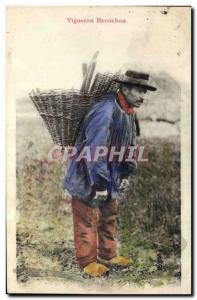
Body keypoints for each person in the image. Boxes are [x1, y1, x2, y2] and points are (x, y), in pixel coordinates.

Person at [62, 70, 157, 277]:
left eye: (145, 91)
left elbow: (130, 147)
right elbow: (95, 149)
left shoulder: (129, 112)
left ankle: (108, 255)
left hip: (110, 175)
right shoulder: (104, 110)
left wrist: (125, 174)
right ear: (124, 88)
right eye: (138, 90)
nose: (142, 96)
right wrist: (99, 184)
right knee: (85, 219)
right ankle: (87, 261)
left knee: (109, 216)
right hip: (87, 174)